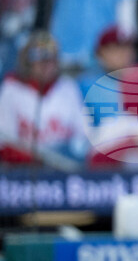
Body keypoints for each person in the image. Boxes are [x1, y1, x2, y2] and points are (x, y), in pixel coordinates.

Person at [0, 31, 89, 167]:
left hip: (64, 166)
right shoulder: (11, 89)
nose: (46, 66)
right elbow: (5, 143)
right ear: (28, 62)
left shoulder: (68, 86)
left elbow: (83, 135)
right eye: (40, 60)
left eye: (50, 60)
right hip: (23, 169)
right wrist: (40, 159)